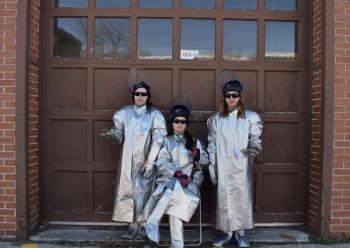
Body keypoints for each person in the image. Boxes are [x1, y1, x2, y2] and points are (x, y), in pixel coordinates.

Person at [102, 81, 167, 239]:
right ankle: (131, 226)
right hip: (127, 162)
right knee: (127, 190)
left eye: (143, 94)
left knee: (146, 191)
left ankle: (145, 225)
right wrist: (115, 136)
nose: (140, 96)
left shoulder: (155, 115)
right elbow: (119, 135)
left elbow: (159, 139)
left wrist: (150, 162)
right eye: (137, 94)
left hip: (147, 160)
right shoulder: (123, 113)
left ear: (148, 96)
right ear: (133, 95)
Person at [143, 97, 209, 248]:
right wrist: (177, 173)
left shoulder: (195, 142)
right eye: (176, 121)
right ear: (172, 123)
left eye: (183, 121)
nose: (179, 124)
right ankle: (177, 244)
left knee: (177, 193)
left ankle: (153, 221)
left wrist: (198, 157)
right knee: (175, 196)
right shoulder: (166, 142)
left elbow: (204, 165)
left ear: (187, 123)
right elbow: (161, 163)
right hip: (168, 183)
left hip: (190, 185)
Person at [207, 80, 263, 248]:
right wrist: (212, 165)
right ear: (224, 97)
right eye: (228, 95)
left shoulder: (251, 118)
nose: (231, 98)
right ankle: (226, 233)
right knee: (223, 198)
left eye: (235, 95)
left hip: (241, 165)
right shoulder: (216, 119)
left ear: (240, 96)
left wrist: (253, 148)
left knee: (241, 197)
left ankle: (241, 234)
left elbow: (255, 139)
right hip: (222, 165)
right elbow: (211, 142)